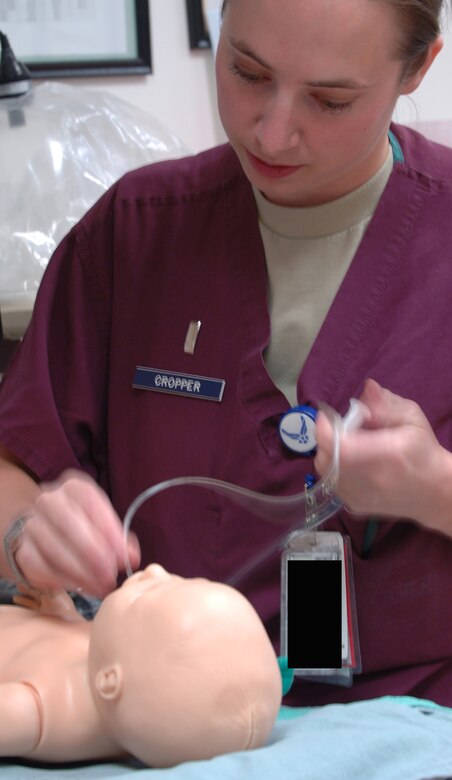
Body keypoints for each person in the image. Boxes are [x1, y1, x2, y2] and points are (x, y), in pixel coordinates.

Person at [0, 0, 451, 709]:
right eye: (246, 71)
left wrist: (435, 489)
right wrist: (31, 530)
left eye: (330, 101)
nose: (271, 130)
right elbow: (15, 464)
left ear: (418, 68)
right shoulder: (136, 234)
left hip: (412, 730)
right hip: (155, 718)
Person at [0, 563, 282, 766]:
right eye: (180, 580)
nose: (155, 569)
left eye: (145, 596)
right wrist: (65, 615)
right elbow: (81, 639)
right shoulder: (111, 652)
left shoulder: (46, 710)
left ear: (110, 682)